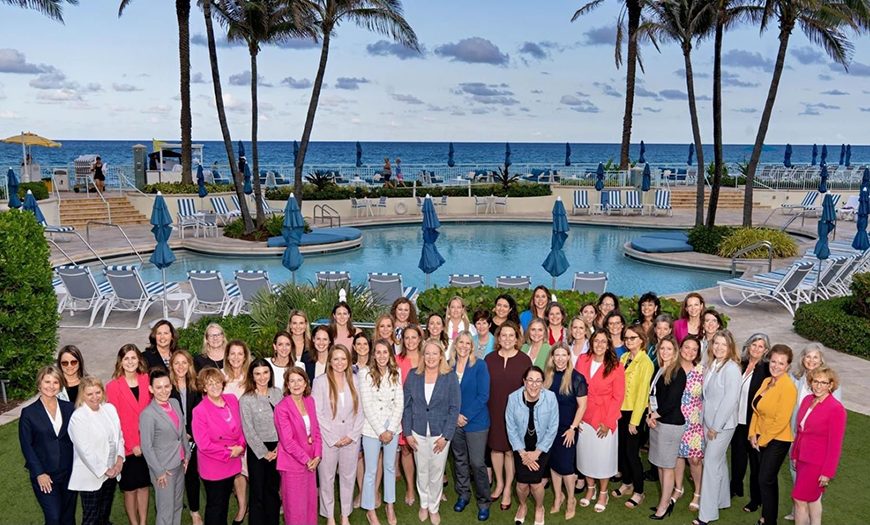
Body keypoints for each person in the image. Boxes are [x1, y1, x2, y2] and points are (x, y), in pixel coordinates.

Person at [403, 339, 461, 525]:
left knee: (436, 472)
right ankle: (424, 503)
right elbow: (406, 406)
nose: (430, 357)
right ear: (422, 355)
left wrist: (446, 436)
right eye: (427, 353)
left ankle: (434, 508)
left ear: (441, 355)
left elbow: (454, 408)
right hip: (417, 431)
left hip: (440, 434)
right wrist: (408, 433)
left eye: (434, 353)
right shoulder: (413, 375)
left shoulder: (450, 376)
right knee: (422, 470)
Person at [313, 345, 365, 525]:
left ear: (349, 361)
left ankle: (344, 514)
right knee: (326, 478)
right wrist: (333, 438)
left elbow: (361, 411)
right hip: (329, 440)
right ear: (330, 361)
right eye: (335, 359)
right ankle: (330, 516)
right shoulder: (320, 382)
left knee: (348, 476)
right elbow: (317, 413)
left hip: (351, 438)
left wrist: (352, 435)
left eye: (343, 358)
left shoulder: (356, 380)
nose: (339, 362)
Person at [575, 330, 625, 514]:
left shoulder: (616, 366)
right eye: (597, 340)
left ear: (609, 344)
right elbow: (575, 388)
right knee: (586, 456)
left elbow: (618, 397)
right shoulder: (582, 360)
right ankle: (590, 489)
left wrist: (608, 421)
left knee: (603, 459)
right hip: (584, 417)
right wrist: (576, 418)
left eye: (604, 341)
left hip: (604, 419)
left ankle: (603, 492)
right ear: (592, 342)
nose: (600, 344)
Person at [694, 330, 741, 525]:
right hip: (708, 422)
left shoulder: (731, 369)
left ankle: (706, 515)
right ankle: (722, 501)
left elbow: (730, 400)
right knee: (719, 462)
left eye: (724, 344)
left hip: (721, 426)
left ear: (730, 348)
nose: (719, 348)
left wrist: (715, 426)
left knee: (711, 466)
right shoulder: (713, 365)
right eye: (716, 344)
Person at [19, 366, 77, 525]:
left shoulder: (69, 408)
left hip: (68, 472)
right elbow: (26, 446)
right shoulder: (28, 413)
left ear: (61, 385)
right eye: (47, 381)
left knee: (68, 517)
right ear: (39, 383)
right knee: (54, 517)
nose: (51, 386)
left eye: (55, 382)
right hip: (45, 475)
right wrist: (39, 473)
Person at [485, 321, 533, 511]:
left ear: (517, 338)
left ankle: (507, 489)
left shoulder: (524, 360)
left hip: (515, 413)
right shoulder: (489, 359)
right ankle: (498, 483)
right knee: (496, 449)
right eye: (503, 335)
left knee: (510, 451)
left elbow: (529, 389)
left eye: (511, 335)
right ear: (498, 338)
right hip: (493, 409)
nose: (507, 339)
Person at [749, 344, 798, 525]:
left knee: (765, 479)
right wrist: (753, 433)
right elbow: (756, 410)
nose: (776, 366)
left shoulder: (788, 388)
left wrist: (762, 440)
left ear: (788, 366)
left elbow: (781, 420)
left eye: (781, 363)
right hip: (760, 437)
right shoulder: (766, 381)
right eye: (774, 361)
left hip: (778, 440)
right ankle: (768, 518)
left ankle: (769, 520)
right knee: (767, 480)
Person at [791, 366, 846, 525]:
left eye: (823, 382)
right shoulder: (808, 400)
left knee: (799, 499)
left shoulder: (836, 409)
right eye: (816, 381)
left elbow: (835, 444)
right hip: (802, 457)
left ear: (831, 385)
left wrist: (827, 472)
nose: (818, 385)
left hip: (817, 463)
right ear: (811, 382)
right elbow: (801, 432)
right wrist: (795, 454)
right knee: (813, 500)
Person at [192, 367, 246, 525]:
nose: (215, 386)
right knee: (215, 507)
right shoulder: (199, 411)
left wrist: (241, 446)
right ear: (204, 387)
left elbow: (243, 427)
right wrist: (229, 452)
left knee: (224, 504)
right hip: (214, 466)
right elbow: (203, 444)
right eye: (210, 384)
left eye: (217, 382)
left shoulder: (232, 400)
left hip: (232, 463)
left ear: (223, 383)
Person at [106, 344, 152, 525]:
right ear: (121, 362)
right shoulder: (113, 386)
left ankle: (143, 522)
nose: (130, 362)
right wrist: (131, 444)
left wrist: (145, 442)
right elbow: (115, 421)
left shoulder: (147, 380)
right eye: (126, 358)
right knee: (130, 488)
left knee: (144, 486)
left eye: (133, 358)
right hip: (127, 447)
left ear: (139, 360)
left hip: (147, 444)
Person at [506, 366, 558, 525]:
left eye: (538, 381)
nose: (534, 385)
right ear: (524, 381)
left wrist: (537, 452)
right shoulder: (513, 398)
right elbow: (511, 427)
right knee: (521, 483)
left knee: (535, 483)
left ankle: (539, 508)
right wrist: (523, 453)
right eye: (530, 380)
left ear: (543, 383)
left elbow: (553, 426)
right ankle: (522, 506)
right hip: (520, 446)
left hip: (542, 447)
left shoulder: (550, 397)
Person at [68, 376, 124, 525]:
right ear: (82, 395)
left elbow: (119, 436)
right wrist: (105, 469)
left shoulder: (109, 409)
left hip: (112, 473)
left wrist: (119, 459)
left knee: (104, 516)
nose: (95, 397)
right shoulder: (78, 417)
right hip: (92, 476)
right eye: (89, 394)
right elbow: (85, 450)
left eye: (97, 392)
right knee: (91, 519)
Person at [360, 339, 404, 525]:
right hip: (371, 430)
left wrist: (391, 429)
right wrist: (381, 431)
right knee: (370, 470)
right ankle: (370, 509)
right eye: (378, 352)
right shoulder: (365, 374)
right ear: (373, 354)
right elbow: (367, 405)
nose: (381, 356)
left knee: (389, 467)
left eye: (385, 352)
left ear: (389, 354)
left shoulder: (396, 373)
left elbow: (399, 403)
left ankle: (389, 505)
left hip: (393, 428)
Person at [543, 343, 588, 521]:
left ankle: (570, 500)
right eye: (557, 355)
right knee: (554, 465)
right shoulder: (547, 376)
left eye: (564, 355)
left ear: (569, 357)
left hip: (567, 429)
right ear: (552, 358)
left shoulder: (577, 378)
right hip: (550, 429)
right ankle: (558, 497)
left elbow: (582, 406)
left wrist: (573, 428)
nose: (560, 358)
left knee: (567, 468)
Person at [450, 331, 492, 521]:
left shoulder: (480, 365)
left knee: (476, 462)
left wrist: (465, 415)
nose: (464, 346)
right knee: (459, 460)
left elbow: (483, 395)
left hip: (476, 422)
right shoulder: (448, 367)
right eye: (461, 342)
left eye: (468, 343)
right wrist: (455, 416)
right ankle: (463, 494)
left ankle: (484, 501)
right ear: (456, 344)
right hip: (454, 422)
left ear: (472, 346)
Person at [646, 336, 688, 520]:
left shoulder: (678, 372)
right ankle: (663, 500)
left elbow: (672, 401)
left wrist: (653, 415)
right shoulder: (659, 368)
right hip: (658, 422)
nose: (665, 352)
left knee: (667, 467)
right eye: (662, 348)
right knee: (660, 466)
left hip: (670, 424)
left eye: (669, 349)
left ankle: (665, 505)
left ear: (675, 351)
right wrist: (650, 413)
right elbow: (652, 393)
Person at [140, 369, 188, 525]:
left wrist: (187, 455)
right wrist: (159, 471)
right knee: (165, 512)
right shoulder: (148, 414)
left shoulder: (174, 403)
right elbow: (146, 447)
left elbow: (182, 432)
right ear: (151, 389)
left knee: (177, 506)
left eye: (167, 386)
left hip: (180, 464)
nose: (163, 391)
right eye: (159, 387)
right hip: (164, 470)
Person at [614, 324, 654, 509]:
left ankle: (639, 491)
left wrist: (634, 421)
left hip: (633, 413)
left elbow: (642, 395)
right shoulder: (623, 357)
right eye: (626, 338)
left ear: (641, 340)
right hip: (620, 411)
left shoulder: (645, 362)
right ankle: (627, 483)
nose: (629, 341)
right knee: (622, 450)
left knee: (632, 453)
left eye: (632, 338)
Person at [239, 358, 283, 525]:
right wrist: (264, 453)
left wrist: (279, 447)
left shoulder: (278, 393)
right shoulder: (246, 399)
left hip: (278, 447)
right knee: (257, 492)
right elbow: (248, 430)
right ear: (252, 376)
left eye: (265, 372)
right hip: (257, 450)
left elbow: (284, 422)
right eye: (257, 374)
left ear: (270, 373)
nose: (262, 377)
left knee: (272, 490)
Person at [275, 367, 322, 525]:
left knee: (310, 505)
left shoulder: (310, 401)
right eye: (292, 381)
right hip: (292, 464)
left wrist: (317, 455)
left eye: (299, 380)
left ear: (305, 383)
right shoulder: (282, 408)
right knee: (295, 509)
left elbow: (316, 430)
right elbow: (287, 441)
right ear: (287, 385)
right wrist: (307, 460)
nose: (296, 384)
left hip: (311, 463)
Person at [731, 333, 770, 513]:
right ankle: (735, 487)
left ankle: (756, 499)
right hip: (736, 420)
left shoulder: (768, 370)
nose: (756, 349)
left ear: (766, 350)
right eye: (754, 344)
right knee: (738, 458)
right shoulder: (741, 364)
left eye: (760, 346)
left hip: (754, 423)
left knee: (756, 463)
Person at [169, 350, 203, 525]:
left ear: (189, 365)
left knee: (191, 476)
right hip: (171, 439)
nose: (181, 366)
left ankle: (195, 511)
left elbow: (200, 413)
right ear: (171, 366)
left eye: (184, 362)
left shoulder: (196, 386)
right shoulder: (166, 387)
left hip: (192, 439)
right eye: (177, 363)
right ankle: (170, 510)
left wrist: (190, 434)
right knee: (172, 476)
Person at [674, 336, 705, 513]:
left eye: (694, 349)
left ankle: (698, 493)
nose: (690, 351)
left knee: (694, 459)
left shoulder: (701, 371)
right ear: (681, 347)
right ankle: (678, 488)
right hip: (674, 421)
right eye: (687, 347)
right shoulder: (673, 367)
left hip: (693, 423)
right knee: (677, 456)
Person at [396, 324, 424, 505]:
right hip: (404, 410)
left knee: (425, 451)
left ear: (420, 339)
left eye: (414, 337)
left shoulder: (427, 357)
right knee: (406, 449)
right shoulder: (397, 359)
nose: (411, 341)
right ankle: (410, 489)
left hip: (425, 412)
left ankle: (429, 489)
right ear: (402, 340)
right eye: (407, 337)